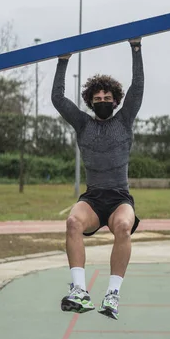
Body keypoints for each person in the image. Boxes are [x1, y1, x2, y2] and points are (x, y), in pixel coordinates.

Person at [51, 38, 144, 320]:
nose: (103, 102)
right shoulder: (83, 123)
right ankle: (79, 291)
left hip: (119, 198)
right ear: (90, 102)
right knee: (72, 222)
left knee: (124, 228)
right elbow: (58, 98)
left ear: (115, 101)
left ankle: (113, 294)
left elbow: (137, 87)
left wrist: (136, 48)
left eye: (107, 99)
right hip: (92, 198)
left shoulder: (124, 119)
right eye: (98, 99)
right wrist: (62, 60)